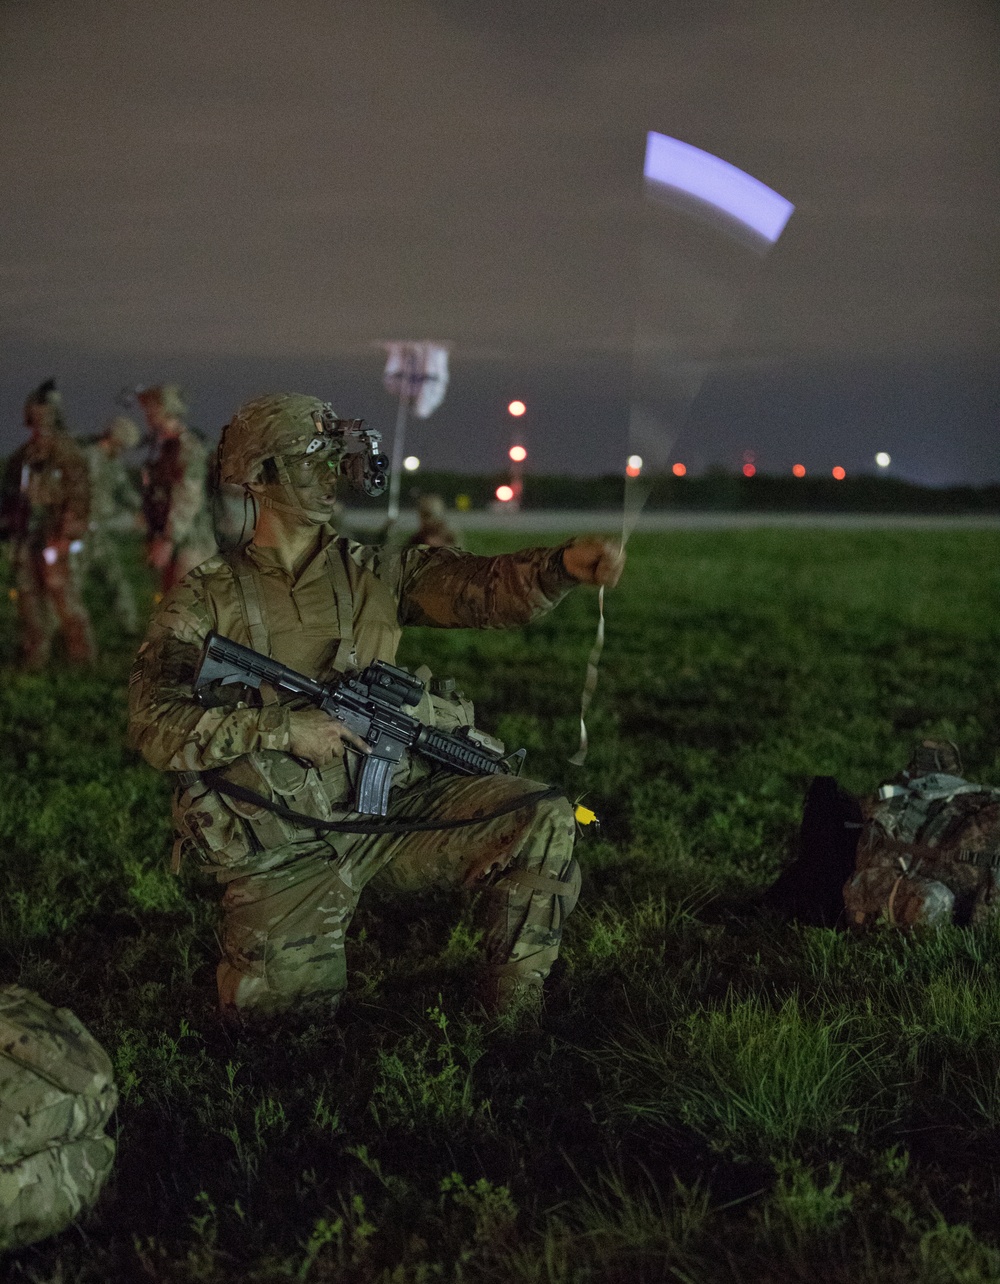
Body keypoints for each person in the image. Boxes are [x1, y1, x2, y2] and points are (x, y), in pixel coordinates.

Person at [128, 392, 625, 1020]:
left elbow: (476, 588)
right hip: (286, 845)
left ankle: (513, 1021)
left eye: (336, 461)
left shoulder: (374, 572)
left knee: (544, 814)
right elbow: (153, 724)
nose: (332, 477)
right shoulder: (205, 599)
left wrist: (558, 567)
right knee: (282, 1031)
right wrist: (282, 729)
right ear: (262, 474)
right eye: (312, 461)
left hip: (395, 814)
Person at [0, 379, 94, 669]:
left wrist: (66, 538)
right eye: (34, 414)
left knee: (64, 598)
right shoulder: (21, 458)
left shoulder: (68, 453)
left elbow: (80, 498)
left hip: (56, 535)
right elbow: (10, 498)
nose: (39, 421)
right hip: (27, 536)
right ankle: (34, 655)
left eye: (44, 414)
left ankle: (81, 658)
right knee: (28, 597)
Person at [136, 384, 217, 595]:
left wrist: (167, 540)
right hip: (174, 541)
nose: (147, 413)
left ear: (166, 409)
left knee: (187, 610)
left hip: (192, 543)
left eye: (152, 407)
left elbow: (188, 497)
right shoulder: (164, 447)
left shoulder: (188, 448)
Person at [82, 415, 143, 634]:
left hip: (101, 530)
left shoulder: (113, 462)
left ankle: (129, 628)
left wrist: (141, 508)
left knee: (115, 580)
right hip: (82, 532)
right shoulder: (89, 458)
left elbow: (124, 490)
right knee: (72, 585)